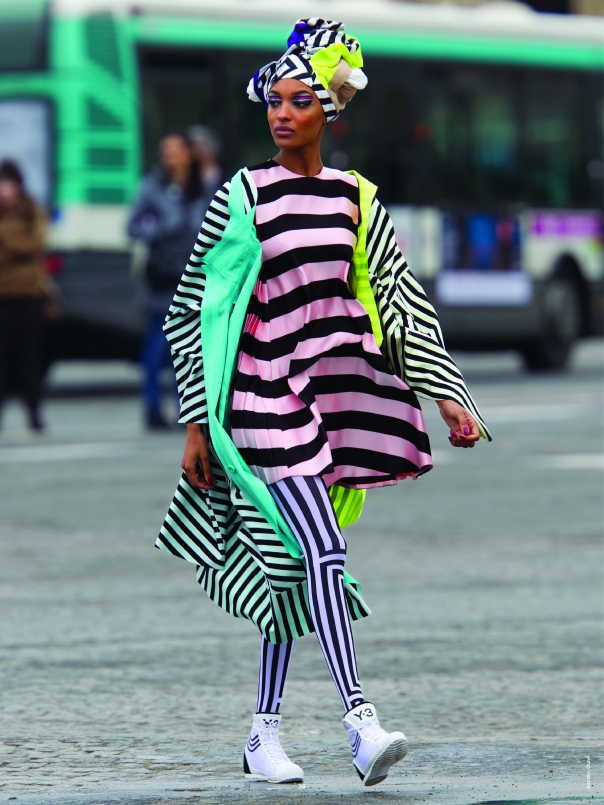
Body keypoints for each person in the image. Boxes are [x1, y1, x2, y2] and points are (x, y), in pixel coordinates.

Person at [156, 19, 492, 788]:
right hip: (258, 396)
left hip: (326, 398)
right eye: (274, 101)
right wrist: (197, 421)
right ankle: (360, 722)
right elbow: (191, 309)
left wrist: (446, 393)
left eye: (299, 101)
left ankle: (262, 733)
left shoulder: (355, 198)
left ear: (329, 111)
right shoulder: (242, 195)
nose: (282, 113)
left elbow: (400, 301)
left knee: (290, 563)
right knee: (323, 548)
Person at [127, 132, 209, 430]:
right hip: (163, 279)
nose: (171, 156)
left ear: (189, 153)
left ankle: (187, 412)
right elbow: (132, 227)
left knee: (190, 348)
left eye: (177, 149)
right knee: (158, 343)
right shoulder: (151, 187)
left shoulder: (204, 187)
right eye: (166, 150)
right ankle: (152, 407)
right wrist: (162, 228)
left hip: (195, 278)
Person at [0, 159, 48, 431]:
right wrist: (20, 242)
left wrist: (7, 240)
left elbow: (36, 244)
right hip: (2, 295)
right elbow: (26, 245)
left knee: (31, 358)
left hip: (29, 293)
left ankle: (34, 412)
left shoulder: (31, 209)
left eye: (9, 184)